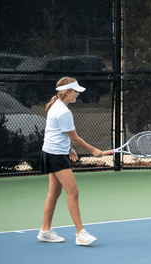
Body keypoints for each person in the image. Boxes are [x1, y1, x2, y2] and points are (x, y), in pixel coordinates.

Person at [37, 77, 103, 246]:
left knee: (54, 193)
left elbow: (57, 133)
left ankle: (45, 231)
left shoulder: (56, 106)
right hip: (56, 156)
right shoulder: (63, 111)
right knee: (73, 192)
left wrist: (68, 149)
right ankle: (80, 234)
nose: (77, 94)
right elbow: (75, 138)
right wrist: (93, 150)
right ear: (67, 92)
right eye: (75, 91)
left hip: (51, 152)